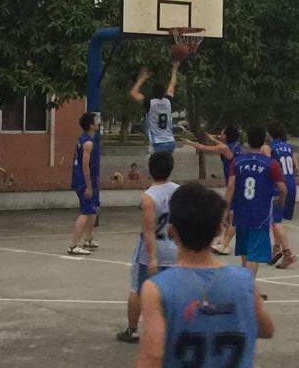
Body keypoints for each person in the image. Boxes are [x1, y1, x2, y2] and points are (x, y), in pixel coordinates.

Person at [136, 183, 274, 368]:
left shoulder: (157, 288)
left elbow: (152, 359)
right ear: (218, 230)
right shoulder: (244, 280)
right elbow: (266, 329)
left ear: (171, 231)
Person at [117, 151, 179, 343]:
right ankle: (173, 329)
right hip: (173, 247)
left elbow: (149, 229)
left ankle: (132, 330)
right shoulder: (179, 191)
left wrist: (152, 257)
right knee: (172, 290)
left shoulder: (149, 196)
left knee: (137, 289)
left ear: (151, 170)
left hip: (152, 248)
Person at [225, 125, 287, 285]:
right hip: (260, 214)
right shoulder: (271, 164)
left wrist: (226, 208)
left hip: (241, 211)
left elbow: (231, 185)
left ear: (247, 140)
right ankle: (248, 287)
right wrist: (281, 198)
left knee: (245, 250)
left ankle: (246, 286)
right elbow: (282, 188)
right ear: (264, 140)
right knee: (255, 253)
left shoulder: (237, 162)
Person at [185, 126, 242, 255]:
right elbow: (221, 144)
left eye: (222, 133)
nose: (220, 135)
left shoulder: (224, 148)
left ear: (226, 136)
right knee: (230, 215)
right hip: (238, 181)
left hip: (234, 183)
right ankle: (223, 242)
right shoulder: (236, 146)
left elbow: (205, 148)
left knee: (232, 215)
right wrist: (211, 138)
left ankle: (225, 244)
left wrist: (191, 143)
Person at [262, 121, 298, 269]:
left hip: (278, 184)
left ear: (269, 133)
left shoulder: (268, 147)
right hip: (291, 183)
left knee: (276, 220)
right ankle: (276, 249)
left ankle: (287, 253)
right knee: (277, 219)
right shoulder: (288, 147)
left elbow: (268, 166)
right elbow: (296, 167)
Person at [68, 112, 101, 255]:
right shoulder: (88, 143)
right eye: (96, 120)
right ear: (91, 125)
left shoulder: (84, 139)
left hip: (90, 180)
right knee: (86, 211)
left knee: (94, 209)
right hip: (84, 181)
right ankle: (74, 245)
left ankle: (88, 238)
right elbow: (85, 165)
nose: (98, 122)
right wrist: (88, 185)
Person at [129, 63, 179, 153]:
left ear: (153, 93)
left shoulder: (150, 103)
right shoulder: (168, 101)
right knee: (166, 161)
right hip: (170, 141)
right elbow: (172, 85)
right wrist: (174, 69)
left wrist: (141, 79)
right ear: (164, 92)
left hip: (158, 143)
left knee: (154, 162)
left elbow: (133, 93)